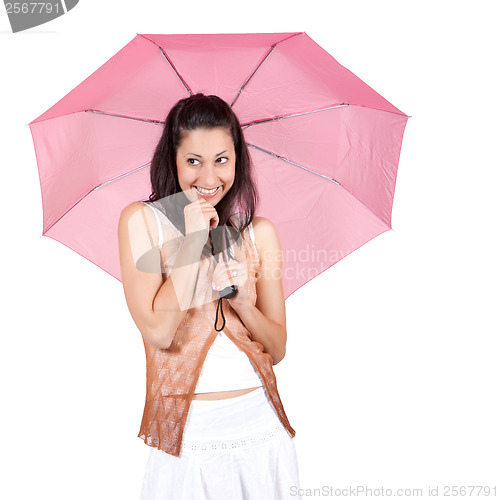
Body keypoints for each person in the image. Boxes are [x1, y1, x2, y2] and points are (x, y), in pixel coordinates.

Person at [118, 93, 302, 499]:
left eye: (221, 159)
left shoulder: (259, 233)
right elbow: (160, 332)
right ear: (174, 160)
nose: (209, 176)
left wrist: (243, 307)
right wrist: (192, 241)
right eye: (193, 161)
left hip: (260, 426)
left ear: (237, 160)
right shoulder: (142, 222)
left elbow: (278, 348)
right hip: (189, 434)